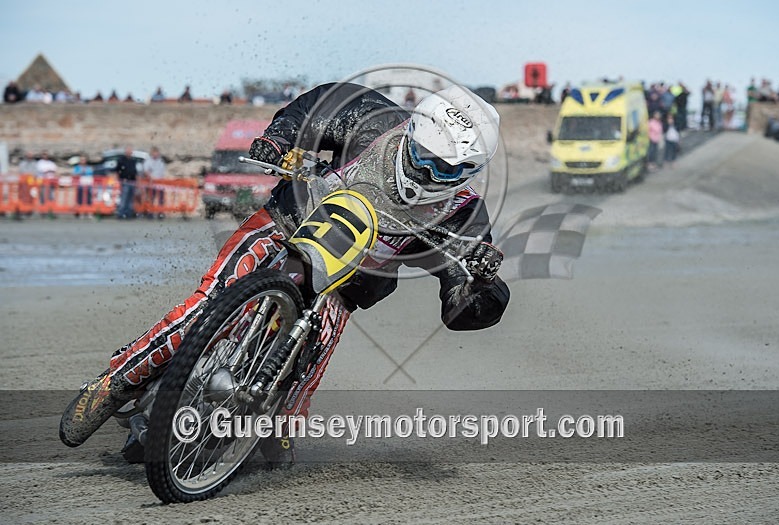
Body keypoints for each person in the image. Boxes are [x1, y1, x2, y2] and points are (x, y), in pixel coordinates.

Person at [60, 82, 510, 464]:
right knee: (205, 306)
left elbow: (463, 307)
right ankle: (115, 383)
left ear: (469, 172)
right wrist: (279, 140)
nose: (428, 171)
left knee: (308, 367)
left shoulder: (464, 215)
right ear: (411, 131)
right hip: (285, 225)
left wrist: (480, 283)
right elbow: (312, 109)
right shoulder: (372, 119)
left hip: (344, 286)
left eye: (445, 169)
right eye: (424, 155)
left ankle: (278, 428)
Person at [142, 146, 166, 219]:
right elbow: (146, 171)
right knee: (151, 199)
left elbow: (162, 172)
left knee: (161, 199)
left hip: (160, 183)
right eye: (154, 153)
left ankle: (160, 212)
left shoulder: (161, 161)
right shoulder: (148, 161)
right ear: (152, 153)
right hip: (151, 184)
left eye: (157, 152)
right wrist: (150, 177)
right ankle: (150, 212)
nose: (156, 154)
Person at [115, 147, 139, 219]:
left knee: (130, 199)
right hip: (125, 182)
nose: (129, 153)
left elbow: (135, 172)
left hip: (132, 182)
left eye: (130, 151)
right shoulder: (121, 160)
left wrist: (136, 181)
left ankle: (128, 213)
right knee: (124, 198)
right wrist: (120, 179)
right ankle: (121, 213)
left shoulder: (133, 161)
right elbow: (117, 171)